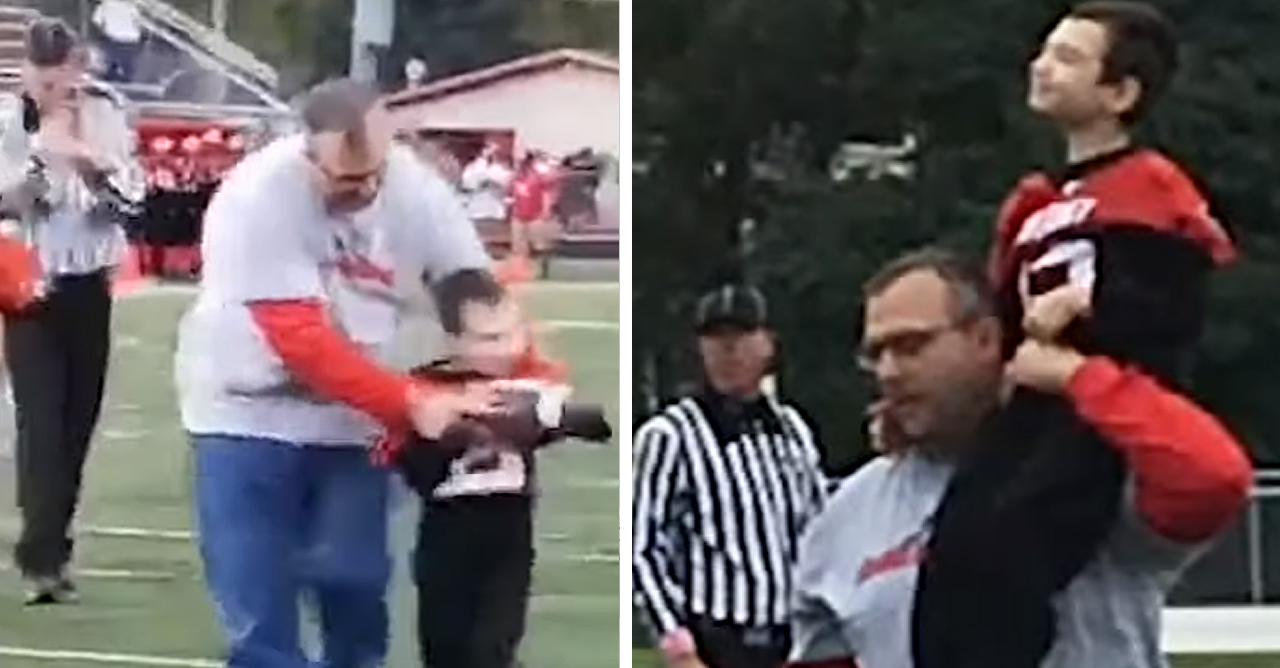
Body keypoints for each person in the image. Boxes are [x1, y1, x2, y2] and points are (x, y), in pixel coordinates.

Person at [912, 4, 1239, 668]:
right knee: (951, 548)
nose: (1042, 66)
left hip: (1095, 415)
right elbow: (1000, 319)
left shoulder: (1150, 185)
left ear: (1120, 94)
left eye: (1068, 58)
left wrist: (1087, 302)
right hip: (1029, 407)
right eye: (1044, 50)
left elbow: (1175, 303)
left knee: (1013, 549)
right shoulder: (1035, 202)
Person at [173, 78, 511, 668]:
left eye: (375, 173)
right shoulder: (258, 197)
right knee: (259, 608)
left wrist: (505, 369)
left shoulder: (416, 191)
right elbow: (302, 342)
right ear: (304, 151)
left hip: (358, 422)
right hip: (245, 412)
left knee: (354, 587)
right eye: (345, 180)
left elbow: (473, 290)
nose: (365, 191)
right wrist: (413, 402)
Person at [787, 248, 1251, 668]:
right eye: (875, 354)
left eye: (912, 346)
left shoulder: (1082, 472)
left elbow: (1213, 478)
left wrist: (1077, 377)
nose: (888, 372)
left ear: (987, 339)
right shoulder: (848, 515)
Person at [385, 268, 612, 668]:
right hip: (446, 538)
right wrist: (450, 433)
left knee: (492, 651)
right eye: (488, 338)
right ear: (453, 340)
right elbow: (405, 464)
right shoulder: (427, 388)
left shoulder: (528, 387)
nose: (505, 348)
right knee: (446, 651)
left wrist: (542, 422)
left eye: (512, 333)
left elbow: (596, 423)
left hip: (507, 539)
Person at [0, 18, 144, 605]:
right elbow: (7, 201)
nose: (58, 81)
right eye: (45, 69)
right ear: (29, 69)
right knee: (43, 423)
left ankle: (54, 547)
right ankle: (38, 557)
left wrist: (88, 161)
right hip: (30, 286)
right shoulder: (9, 121)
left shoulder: (108, 115)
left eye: (65, 68)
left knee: (79, 421)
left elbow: (133, 200)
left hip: (90, 283)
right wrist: (40, 158)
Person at [633, 284, 828, 668]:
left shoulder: (791, 429)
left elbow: (819, 527)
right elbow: (641, 548)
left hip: (792, 639)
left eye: (740, 337)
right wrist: (676, 642)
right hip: (718, 642)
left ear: (768, 345)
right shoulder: (671, 435)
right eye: (715, 339)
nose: (727, 351)